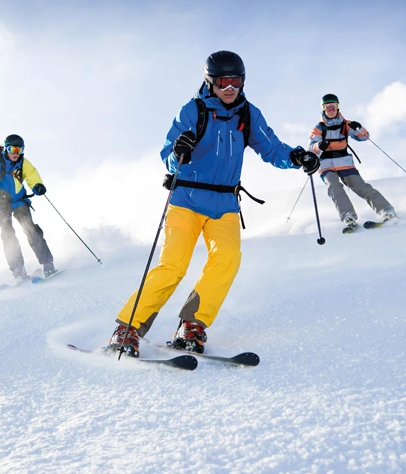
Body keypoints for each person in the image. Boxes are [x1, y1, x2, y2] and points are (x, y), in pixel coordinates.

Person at [106, 51, 319, 357]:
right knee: (173, 266)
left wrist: (296, 157)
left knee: (228, 259)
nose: (230, 88)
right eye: (223, 82)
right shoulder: (194, 110)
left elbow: (271, 148)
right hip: (186, 200)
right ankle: (127, 328)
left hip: (225, 204)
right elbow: (168, 153)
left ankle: (191, 325)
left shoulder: (248, 114)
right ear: (210, 82)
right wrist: (179, 150)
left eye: (236, 81)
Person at [309, 94, 396, 232]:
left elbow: (364, 137)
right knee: (334, 187)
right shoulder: (319, 128)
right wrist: (319, 146)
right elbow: (311, 147)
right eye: (328, 107)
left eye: (334, 106)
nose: (331, 109)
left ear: (338, 107)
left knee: (360, 186)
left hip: (344, 162)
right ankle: (348, 217)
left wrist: (359, 128)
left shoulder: (346, 124)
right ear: (323, 109)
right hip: (326, 164)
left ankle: (386, 211)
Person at [0, 134, 56, 283]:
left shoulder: (23, 163)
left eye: (19, 149)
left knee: (31, 229)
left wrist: (37, 186)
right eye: (12, 149)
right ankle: (18, 269)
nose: (16, 153)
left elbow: (31, 175)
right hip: (1, 202)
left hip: (19, 200)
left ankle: (47, 263)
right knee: (7, 233)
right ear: (6, 149)